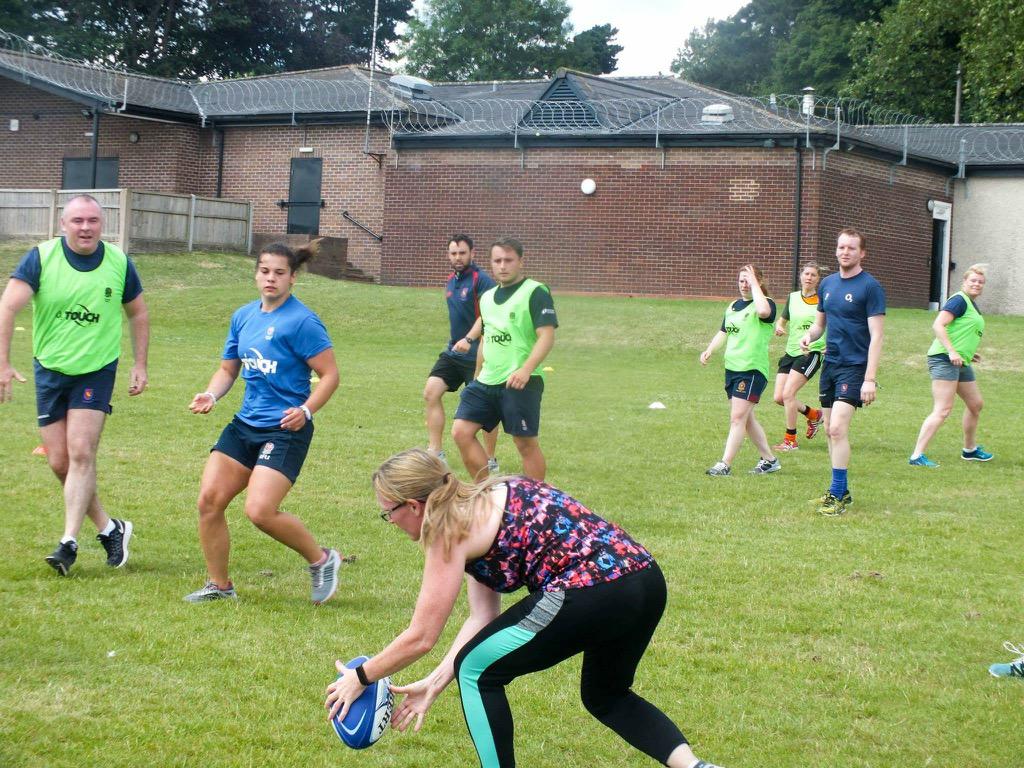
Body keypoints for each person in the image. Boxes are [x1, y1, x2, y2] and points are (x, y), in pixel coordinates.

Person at [324, 448, 725, 768]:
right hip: (645, 579)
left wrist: (361, 676)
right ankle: (694, 766)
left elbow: (421, 637)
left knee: (477, 674)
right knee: (606, 695)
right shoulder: (483, 501)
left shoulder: (445, 532)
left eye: (387, 512)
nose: (390, 522)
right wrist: (433, 683)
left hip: (591, 589)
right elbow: (482, 618)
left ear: (413, 506)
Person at [185, 240, 341, 604]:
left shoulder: (302, 321)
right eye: (265, 271)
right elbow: (228, 369)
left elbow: (330, 375)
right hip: (244, 425)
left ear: (293, 278)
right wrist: (211, 394)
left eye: (280, 273)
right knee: (209, 501)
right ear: (256, 274)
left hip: (286, 429)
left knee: (259, 510)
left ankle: (322, 560)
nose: (271, 278)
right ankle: (220, 586)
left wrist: (305, 411)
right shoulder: (243, 317)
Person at [0, 194, 149, 576]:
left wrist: (140, 364)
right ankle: (110, 528)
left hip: (96, 370)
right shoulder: (40, 258)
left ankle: (68, 542)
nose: (86, 228)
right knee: (59, 461)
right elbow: (8, 307)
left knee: (81, 451)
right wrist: (2, 363)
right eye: (78, 221)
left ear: (103, 224)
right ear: (63, 224)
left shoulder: (119, 263)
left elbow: (138, 312)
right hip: (50, 369)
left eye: (93, 221)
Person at [451, 238, 557, 481]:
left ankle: (537, 502)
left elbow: (547, 336)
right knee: (461, 432)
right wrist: (478, 373)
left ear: (521, 261)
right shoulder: (487, 297)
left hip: (521, 381)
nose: (502, 266)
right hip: (487, 381)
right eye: (497, 260)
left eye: (508, 260)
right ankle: (486, 492)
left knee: (524, 443)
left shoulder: (535, 291)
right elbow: (487, 337)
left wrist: (526, 370)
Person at [800, 229, 885, 516]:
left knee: (837, 428)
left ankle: (837, 494)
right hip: (831, 364)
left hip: (854, 367)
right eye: (841, 247)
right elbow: (819, 324)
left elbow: (877, 336)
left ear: (862, 253)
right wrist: (809, 337)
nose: (844, 252)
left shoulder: (870, 287)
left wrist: (870, 378)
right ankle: (840, 491)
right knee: (828, 429)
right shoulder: (827, 285)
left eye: (851, 248)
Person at [423, 235, 499, 471]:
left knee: (483, 407)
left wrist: (469, 339)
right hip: (453, 351)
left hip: (479, 352)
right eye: (454, 253)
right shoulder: (450, 281)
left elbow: (488, 315)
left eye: (462, 253)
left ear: (472, 253)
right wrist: (458, 341)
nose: (458, 257)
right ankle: (436, 452)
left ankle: (490, 458)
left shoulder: (482, 280)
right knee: (431, 392)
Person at [700, 264, 780, 476]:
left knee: (737, 418)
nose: (744, 284)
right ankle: (769, 460)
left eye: (749, 280)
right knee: (746, 419)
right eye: (741, 280)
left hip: (752, 369)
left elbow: (763, 311)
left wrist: (755, 285)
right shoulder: (733, 306)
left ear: (759, 282)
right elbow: (723, 331)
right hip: (732, 368)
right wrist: (709, 349)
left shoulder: (766, 304)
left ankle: (725, 464)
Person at [909, 264, 993, 467]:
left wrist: (967, 353)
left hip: (960, 360)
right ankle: (916, 456)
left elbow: (961, 332)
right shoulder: (958, 301)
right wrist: (952, 351)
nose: (976, 284)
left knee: (975, 404)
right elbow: (938, 324)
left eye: (980, 282)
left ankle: (969, 450)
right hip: (944, 359)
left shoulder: (971, 304)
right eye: (973, 280)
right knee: (943, 409)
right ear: (964, 282)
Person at [771, 263, 825, 451]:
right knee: (779, 397)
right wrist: (780, 326)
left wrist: (829, 345)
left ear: (818, 280)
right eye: (806, 274)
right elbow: (783, 319)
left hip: (811, 352)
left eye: (813, 275)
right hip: (791, 351)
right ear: (801, 276)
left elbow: (830, 325)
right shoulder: (793, 298)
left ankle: (790, 441)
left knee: (788, 394)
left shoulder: (822, 301)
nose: (809, 278)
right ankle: (814, 415)